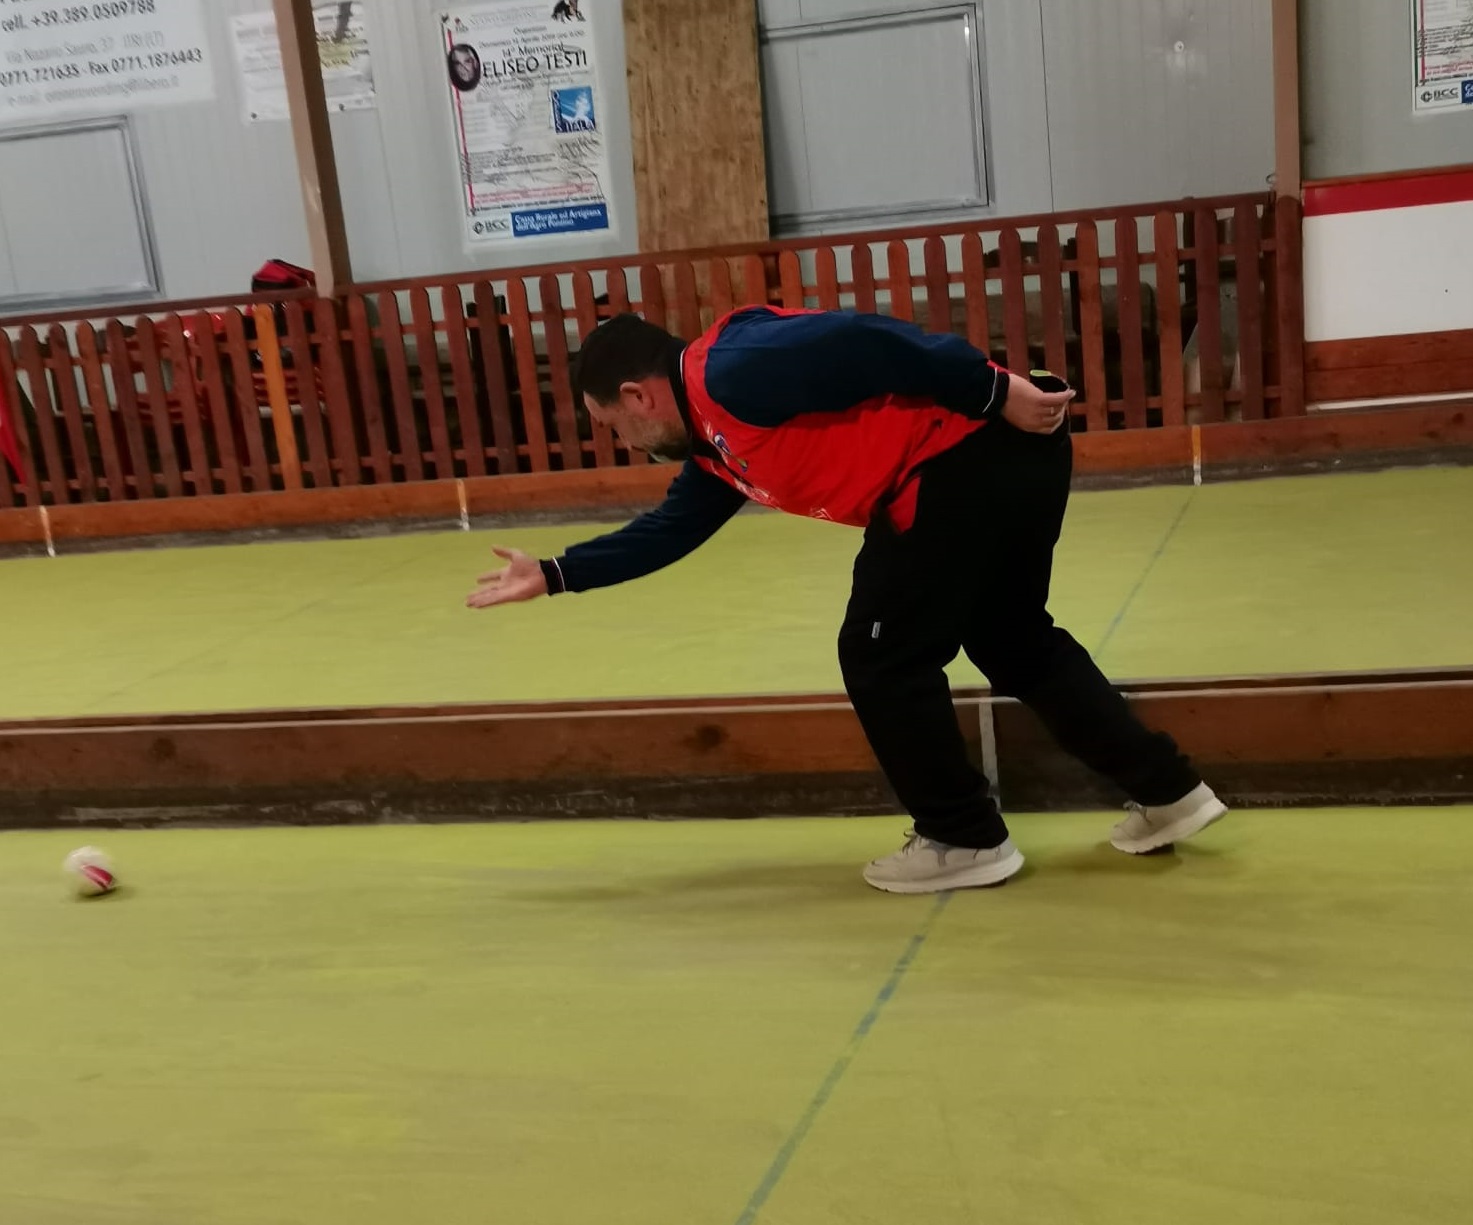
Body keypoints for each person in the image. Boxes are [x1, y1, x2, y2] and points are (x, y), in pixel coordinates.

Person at [466, 308, 1227, 894]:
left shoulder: (729, 370)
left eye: (614, 425)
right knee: (1011, 637)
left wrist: (995, 390)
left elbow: (863, 340)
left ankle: (962, 838)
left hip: (960, 457)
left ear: (638, 395)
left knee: (880, 654)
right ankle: (1167, 791)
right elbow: (672, 528)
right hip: (992, 460)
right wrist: (557, 572)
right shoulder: (716, 444)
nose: (623, 441)